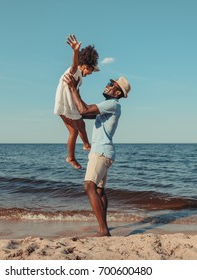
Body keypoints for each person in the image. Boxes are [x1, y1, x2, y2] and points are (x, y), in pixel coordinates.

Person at [64, 73, 131, 236]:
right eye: (109, 82)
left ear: (117, 93)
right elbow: (85, 113)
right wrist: (76, 91)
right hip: (104, 152)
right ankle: (104, 226)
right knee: (99, 190)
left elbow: (83, 109)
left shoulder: (113, 104)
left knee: (89, 186)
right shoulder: (108, 105)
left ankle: (103, 230)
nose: (107, 85)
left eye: (111, 84)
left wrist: (72, 87)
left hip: (100, 153)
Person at [54, 34, 100, 170]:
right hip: (63, 104)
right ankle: (71, 157)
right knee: (73, 131)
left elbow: (77, 94)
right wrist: (75, 51)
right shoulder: (75, 72)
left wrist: (84, 106)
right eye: (91, 70)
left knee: (81, 123)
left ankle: (86, 144)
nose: (91, 73)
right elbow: (74, 66)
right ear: (85, 66)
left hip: (71, 104)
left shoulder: (80, 78)